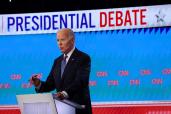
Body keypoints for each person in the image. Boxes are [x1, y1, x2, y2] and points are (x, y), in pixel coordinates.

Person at [30, 28, 92, 114]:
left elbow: (81, 81)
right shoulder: (57, 61)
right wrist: (38, 84)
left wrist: (64, 94)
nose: (59, 43)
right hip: (62, 110)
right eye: (57, 40)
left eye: (63, 40)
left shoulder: (83, 58)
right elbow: (50, 84)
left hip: (79, 109)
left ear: (72, 40)